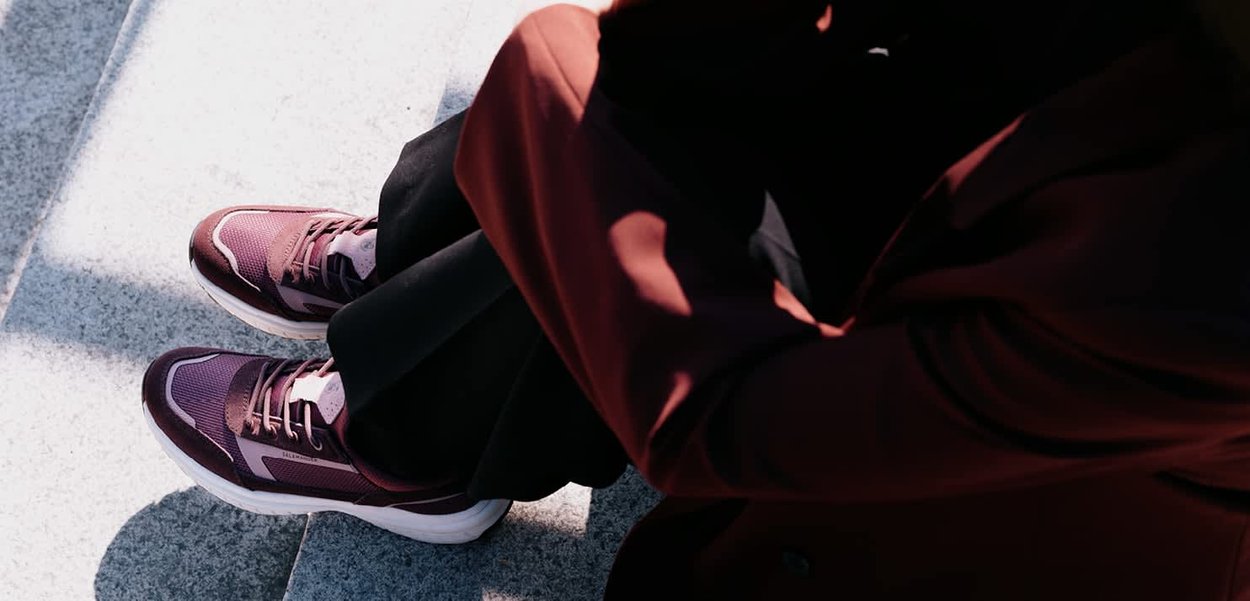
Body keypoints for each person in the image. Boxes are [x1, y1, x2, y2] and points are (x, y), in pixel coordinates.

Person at [141, 0, 1250, 597]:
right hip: (1015, 161)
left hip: (1003, 432)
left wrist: (551, 87)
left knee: (603, 152)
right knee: (719, 78)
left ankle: (412, 433)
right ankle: (434, 263)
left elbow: (729, 418)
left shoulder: (1203, 289)